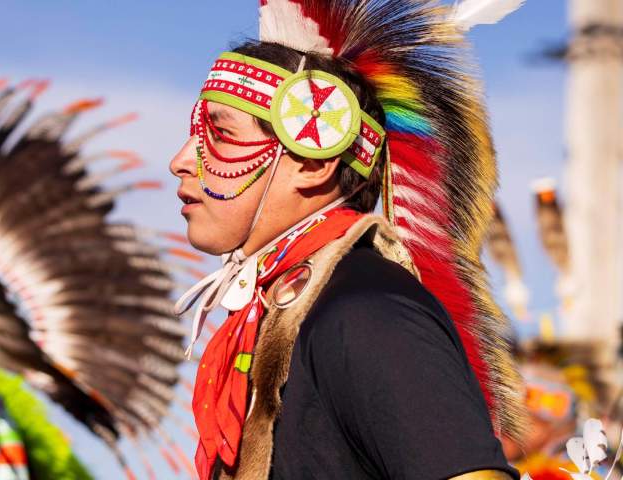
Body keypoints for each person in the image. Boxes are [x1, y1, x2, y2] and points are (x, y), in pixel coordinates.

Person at [170, 1, 526, 478]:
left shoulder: (364, 311)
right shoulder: (301, 310)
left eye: (219, 132)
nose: (180, 159)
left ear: (313, 160)